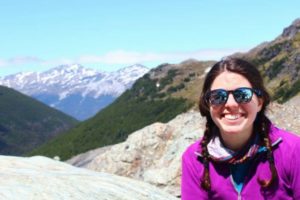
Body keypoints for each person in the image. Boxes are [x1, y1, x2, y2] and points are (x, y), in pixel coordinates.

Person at [181, 57, 300, 199]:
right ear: (208, 105)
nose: (231, 104)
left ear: (260, 102)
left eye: (243, 94)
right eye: (218, 96)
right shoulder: (194, 159)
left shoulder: (293, 151)